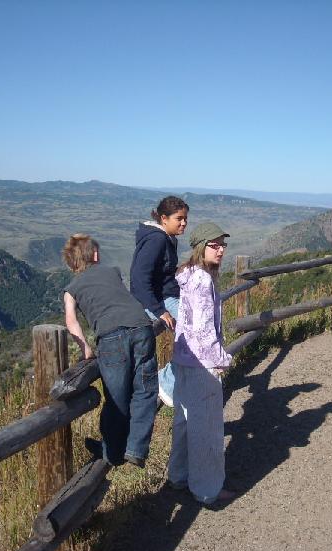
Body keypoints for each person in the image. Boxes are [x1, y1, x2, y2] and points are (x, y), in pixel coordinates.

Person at [62, 233, 159, 468]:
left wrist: (85, 348)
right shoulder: (112, 271)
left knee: (116, 399)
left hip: (111, 336)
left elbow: (71, 321)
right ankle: (136, 448)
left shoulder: (71, 289)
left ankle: (112, 452)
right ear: (96, 255)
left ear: (70, 263)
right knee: (145, 391)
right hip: (142, 327)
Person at [167, 222, 235, 505]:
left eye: (222, 245)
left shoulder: (188, 274)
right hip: (202, 363)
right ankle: (207, 489)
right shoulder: (204, 280)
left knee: (184, 421)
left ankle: (179, 476)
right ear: (200, 247)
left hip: (184, 358)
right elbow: (206, 328)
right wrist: (222, 358)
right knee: (207, 428)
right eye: (214, 245)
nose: (220, 250)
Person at [130, 196, 189, 406]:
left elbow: (162, 275)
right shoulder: (157, 239)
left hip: (165, 298)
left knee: (197, 330)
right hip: (159, 301)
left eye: (185, 219)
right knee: (195, 331)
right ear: (164, 218)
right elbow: (139, 279)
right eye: (179, 219)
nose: (183, 223)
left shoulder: (166, 237)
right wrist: (159, 310)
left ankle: (176, 381)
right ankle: (166, 381)